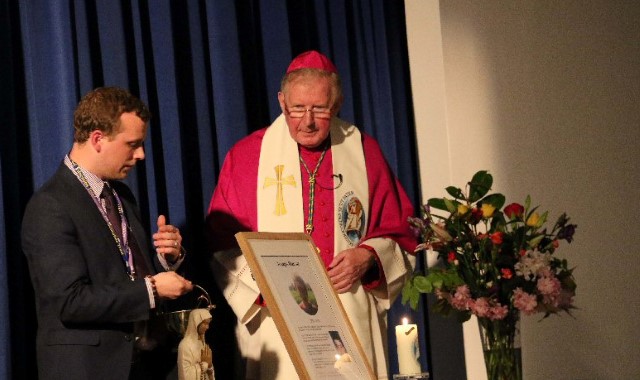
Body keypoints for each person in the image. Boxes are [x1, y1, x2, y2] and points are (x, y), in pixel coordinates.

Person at [205, 50, 417, 379]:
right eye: (297, 109)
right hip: (279, 319)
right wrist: (268, 285)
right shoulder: (248, 157)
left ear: (337, 104)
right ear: (280, 101)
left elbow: (401, 232)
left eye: (319, 108)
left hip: (347, 310)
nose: (308, 121)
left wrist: (368, 256)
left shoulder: (363, 151)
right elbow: (222, 244)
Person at [21, 87, 194, 380]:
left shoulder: (120, 195)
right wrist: (152, 288)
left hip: (142, 364)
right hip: (89, 368)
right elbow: (69, 302)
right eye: (132, 144)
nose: (140, 155)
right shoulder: (50, 205)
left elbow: (122, 278)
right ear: (98, 139)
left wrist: (165, 260)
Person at [178, 309, 215, 380]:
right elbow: (185, 376)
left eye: (208, 324)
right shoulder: (184, 345)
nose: (207, 327)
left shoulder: (202, 343)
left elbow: (208, 370)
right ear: (196, 322)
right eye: (205, 323)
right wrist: (205, 365)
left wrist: (210, 367)